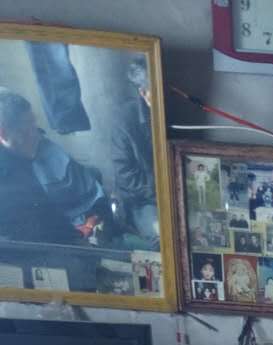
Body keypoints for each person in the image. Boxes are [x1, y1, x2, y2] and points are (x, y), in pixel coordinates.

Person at [0, 88, 104, 244]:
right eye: (27, 129)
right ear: (3, 134)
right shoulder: (10, 182)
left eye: (34, 124)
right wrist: (80, 235)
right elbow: (44, 229)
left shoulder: (26, 154)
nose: (36, 135)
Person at [111, 55, 158, 245]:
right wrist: (161, 190)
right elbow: (126, 176)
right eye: (157, 91)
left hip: (175, 189)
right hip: (144, 200)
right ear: (144, 93)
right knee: (162, 237)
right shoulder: (124, 119)